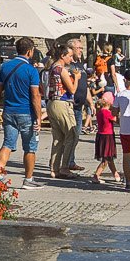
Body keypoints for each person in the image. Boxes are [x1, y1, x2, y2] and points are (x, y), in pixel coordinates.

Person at [0, 39, 45, 187]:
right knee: (30, 148)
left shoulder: (5, 67)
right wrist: (39, 117)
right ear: (29, 51)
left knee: (7, 144)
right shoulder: (31, 70)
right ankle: (28, 180)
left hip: (9, 111)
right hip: (26, 113)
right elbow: (35, 96)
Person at [46, 36, 85, 179]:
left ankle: (54, 168)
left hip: (52, 103)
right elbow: (72, 90)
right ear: (63, 55)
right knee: (72, 134)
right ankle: (64, 167)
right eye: (69, 56)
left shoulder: (52, 66)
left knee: (58, 138)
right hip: (62, 103)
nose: (70, 58)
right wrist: (77, 78)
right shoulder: (61, 69)